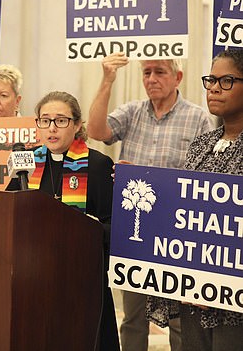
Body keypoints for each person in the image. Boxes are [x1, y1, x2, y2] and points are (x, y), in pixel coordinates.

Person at [88, 53, 212, 351]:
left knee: (181, 318)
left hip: (177, 231)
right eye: (146, 73)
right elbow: (95, 131)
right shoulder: (132, 112)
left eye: (159, 72)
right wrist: (107, 79)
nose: (152, 79)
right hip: (135, 230)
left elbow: (207, 175)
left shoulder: (197, 118)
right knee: (132, 317)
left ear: (177, 78)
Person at [7, 91, 120, 351]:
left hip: (82, 281)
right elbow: (7, 213)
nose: (51, 128)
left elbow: (113, 228)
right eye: (44, 121)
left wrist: (80, 230)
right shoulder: (26, 164)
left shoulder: (98, 164)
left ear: (77, 125)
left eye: (61, 120)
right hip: (35, 280)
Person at [149, 49, 243, 351]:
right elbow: (186, 211)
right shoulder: (203, 143)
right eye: (211, 80)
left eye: (227, 81)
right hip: (193, 293)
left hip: (233, 301)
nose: (214, 88)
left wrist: (216, 285)